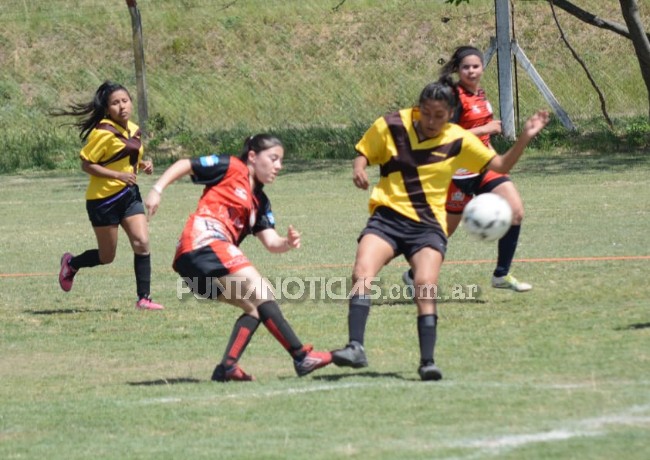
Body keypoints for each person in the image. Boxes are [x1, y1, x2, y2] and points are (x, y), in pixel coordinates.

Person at [332, 79, 549, 380]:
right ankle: (355, 346)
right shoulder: (392, 124)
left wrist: (524, 137)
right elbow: (365, 151)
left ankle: (427, 362)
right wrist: (358, 167)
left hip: (427, 227)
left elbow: (498, 165)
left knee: (424, 285)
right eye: (426, 112)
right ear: (418, 107)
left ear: (451, 115)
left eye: (440, 115)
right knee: (361, 273)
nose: (431, 121)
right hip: (387, 219)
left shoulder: (458, 140)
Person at [144, 134, 332, 382]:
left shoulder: (260, 202)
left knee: (255, 307)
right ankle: (300, 356)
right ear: (253, 156)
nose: (278, 166)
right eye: (273, 158)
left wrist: (287, 243)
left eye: (280, 161)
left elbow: (271, 242)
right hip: (203, 244)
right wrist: (157, 189)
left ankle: (227, 368)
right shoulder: (232, 167)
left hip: (197, 265)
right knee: (262, 291)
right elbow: (185, 164)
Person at [403, 45, 532, 292]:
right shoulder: (452, 98)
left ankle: (501, 275)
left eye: (475, 66)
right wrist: (485, 130)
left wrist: (496, 158)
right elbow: (444, 136)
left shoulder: (481, 96)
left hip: (484, 168)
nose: (471, 71)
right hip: (457, 175)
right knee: (442, 233)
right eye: (466, 67)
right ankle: (413, 275)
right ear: (458, 69)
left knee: (515, 212)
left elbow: (483, 140)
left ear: (482, 67)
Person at [55, 80, 164, 310]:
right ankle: (71, 263)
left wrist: (143, 164)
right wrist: (117, 175)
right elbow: (87, 164)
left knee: (142, 242)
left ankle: (144, 299)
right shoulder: (102, 132)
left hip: (129, 196)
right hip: (103, 201)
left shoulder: (133, 129)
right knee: (107, 257)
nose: (122, 106)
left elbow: (125, 156)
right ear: (107, 109)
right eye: (115, 103)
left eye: (125, 101)